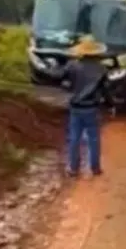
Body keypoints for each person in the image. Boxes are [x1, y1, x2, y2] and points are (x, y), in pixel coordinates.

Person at [49, 35, 115, 178]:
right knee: (94, 138)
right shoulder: (101, 69)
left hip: (76, 108)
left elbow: (58, 76)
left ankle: (73, 168)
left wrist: (56, 70)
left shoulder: (72, 65)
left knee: (74, 138)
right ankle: (95, 168)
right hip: (92, 108)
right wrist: (111, 105)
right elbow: (106, 91)